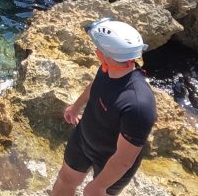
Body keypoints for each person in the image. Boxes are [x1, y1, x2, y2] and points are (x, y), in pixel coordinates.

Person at [51, 18, 157, 196]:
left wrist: (99, 185)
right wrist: (76, 106)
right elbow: (97, 84)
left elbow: (124, 160)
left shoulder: (138, 105)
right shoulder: (109, 67)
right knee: (65, 179)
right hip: (84, 138)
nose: (95, 51)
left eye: (98, 48)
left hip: (112, 159)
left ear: (107, 54)